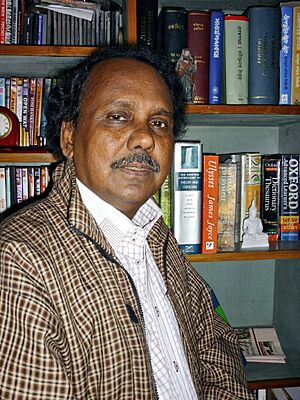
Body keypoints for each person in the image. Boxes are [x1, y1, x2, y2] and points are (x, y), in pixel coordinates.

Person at [0, 44, 254, 399]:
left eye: (159, 123)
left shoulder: (154, 233)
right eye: (118, 116)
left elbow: (214, 340)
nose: (146, 138)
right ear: (70, 137)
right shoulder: (18, 259)